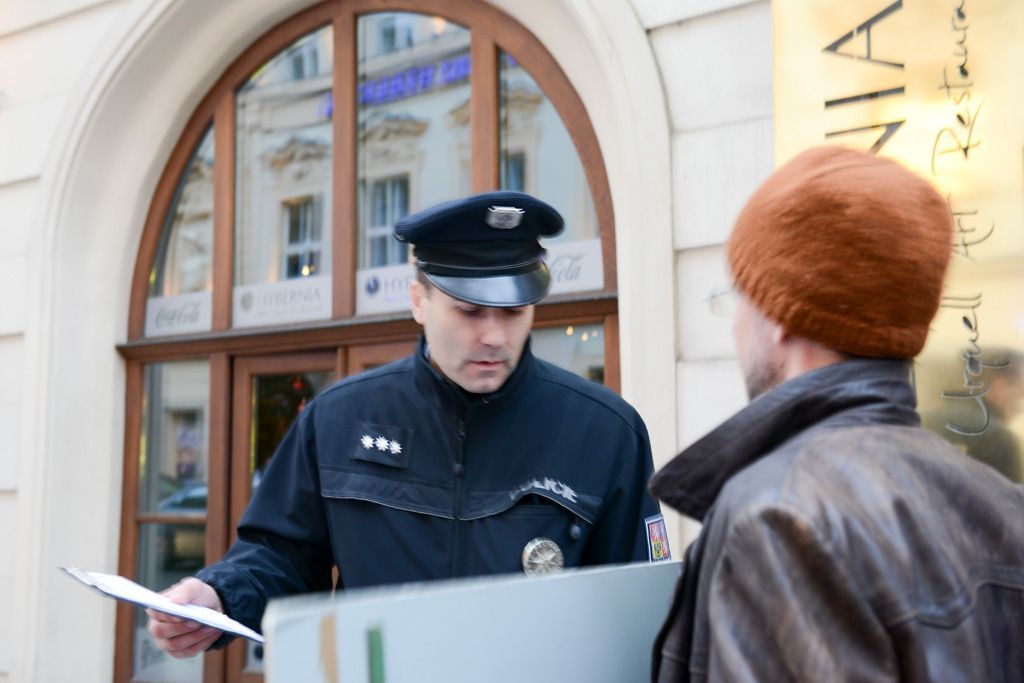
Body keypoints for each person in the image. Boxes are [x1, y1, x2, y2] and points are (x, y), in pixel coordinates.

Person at [148, 190, 667, 657]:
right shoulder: (340, 418)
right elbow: (281, 555)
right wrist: (218, 596)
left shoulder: (604, 430)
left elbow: (638, 613)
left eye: (512, 312)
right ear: (419, 300)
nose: (493, 336)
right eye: (469, 311)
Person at [648, 147, 1024, 681]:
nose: (734, 325)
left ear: (780, 313)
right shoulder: (1004, 504)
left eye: (740, 296)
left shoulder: (779, 516)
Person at [922, 349, 1023, 482]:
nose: (1020, 406)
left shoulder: (921, 420)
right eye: (1021, 392)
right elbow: (1008, 501)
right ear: (1001, 387)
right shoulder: (1000, 439)